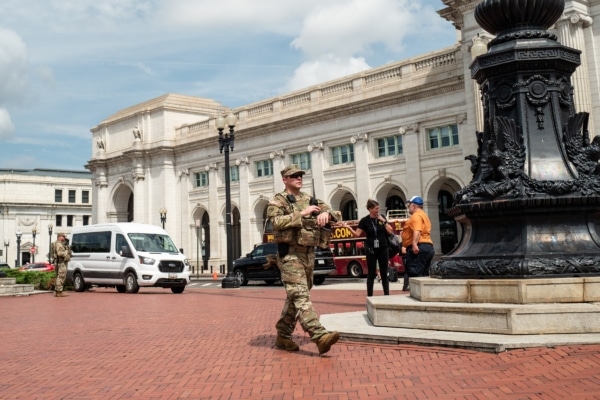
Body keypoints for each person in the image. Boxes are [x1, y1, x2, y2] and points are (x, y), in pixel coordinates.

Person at [267, 164, 340, 355]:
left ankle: (283, 335)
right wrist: (302, 213)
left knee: (296, 296)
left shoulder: (310, 199)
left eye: (300, 175)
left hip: (308, 254)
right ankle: (319, 335)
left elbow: (336, 214)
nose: (299, 178)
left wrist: (326, 213)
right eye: (294, 176)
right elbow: (276, 222)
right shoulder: (278, 201)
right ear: (285, 180)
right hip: (290, 254)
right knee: (300, 295)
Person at [344, 199, 394, 296]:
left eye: (378, 208)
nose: (378, 210)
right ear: (370, 209)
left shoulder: (382, 218)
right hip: (371, 249)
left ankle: (386, 295)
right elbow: (357, 234)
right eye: (376, 209)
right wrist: (348, 228)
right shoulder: (365, 220)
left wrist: (384, 221)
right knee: (371, 273)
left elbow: (390, 231)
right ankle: (370, 295)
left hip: (383, 248)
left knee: (384, 272)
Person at [401, 196, 435, 281]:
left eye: (409, 205)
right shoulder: (424, 215)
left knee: (415, 275)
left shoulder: (416, 216)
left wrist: (414, 244)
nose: (408, 207)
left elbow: (417, 230)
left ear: (413, 206)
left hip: (418, 248)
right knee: (424, 275)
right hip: (427, 246)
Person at [52, 232, 71, 298]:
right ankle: (59, 292)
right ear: (59, 237)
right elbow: (60, 253)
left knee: (59, 276)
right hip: (61, 263)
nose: (64, 238)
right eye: (63, 236)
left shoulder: (57, 243)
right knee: (61, 277)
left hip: (59, 263)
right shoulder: (59, 244)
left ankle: (58, 291)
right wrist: (66, 252)